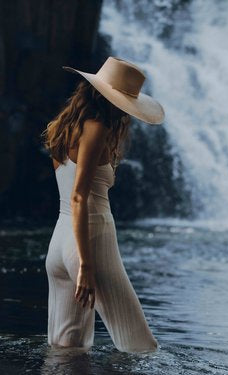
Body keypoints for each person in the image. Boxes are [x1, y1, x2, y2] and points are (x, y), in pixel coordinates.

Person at [41, 56, 165, 353]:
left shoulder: (64, 127)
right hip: (90, 243)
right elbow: (79, 196)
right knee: (140, 347)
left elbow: (69, 195)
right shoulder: (96, 128)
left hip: (59, 244)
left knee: (66, 351)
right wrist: (85, 265)